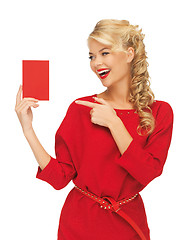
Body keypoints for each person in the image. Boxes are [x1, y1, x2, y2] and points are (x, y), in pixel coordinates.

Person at [15, 19, 174, 240]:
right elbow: (60, 178)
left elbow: (148, 172)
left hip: (128, 223)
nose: (96, 63)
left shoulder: (160, 112)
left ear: (129, 54)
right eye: (92, 56)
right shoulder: (81, 109)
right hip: (79, 224)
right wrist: (28, 129)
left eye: (104, 53)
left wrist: (114, 123)